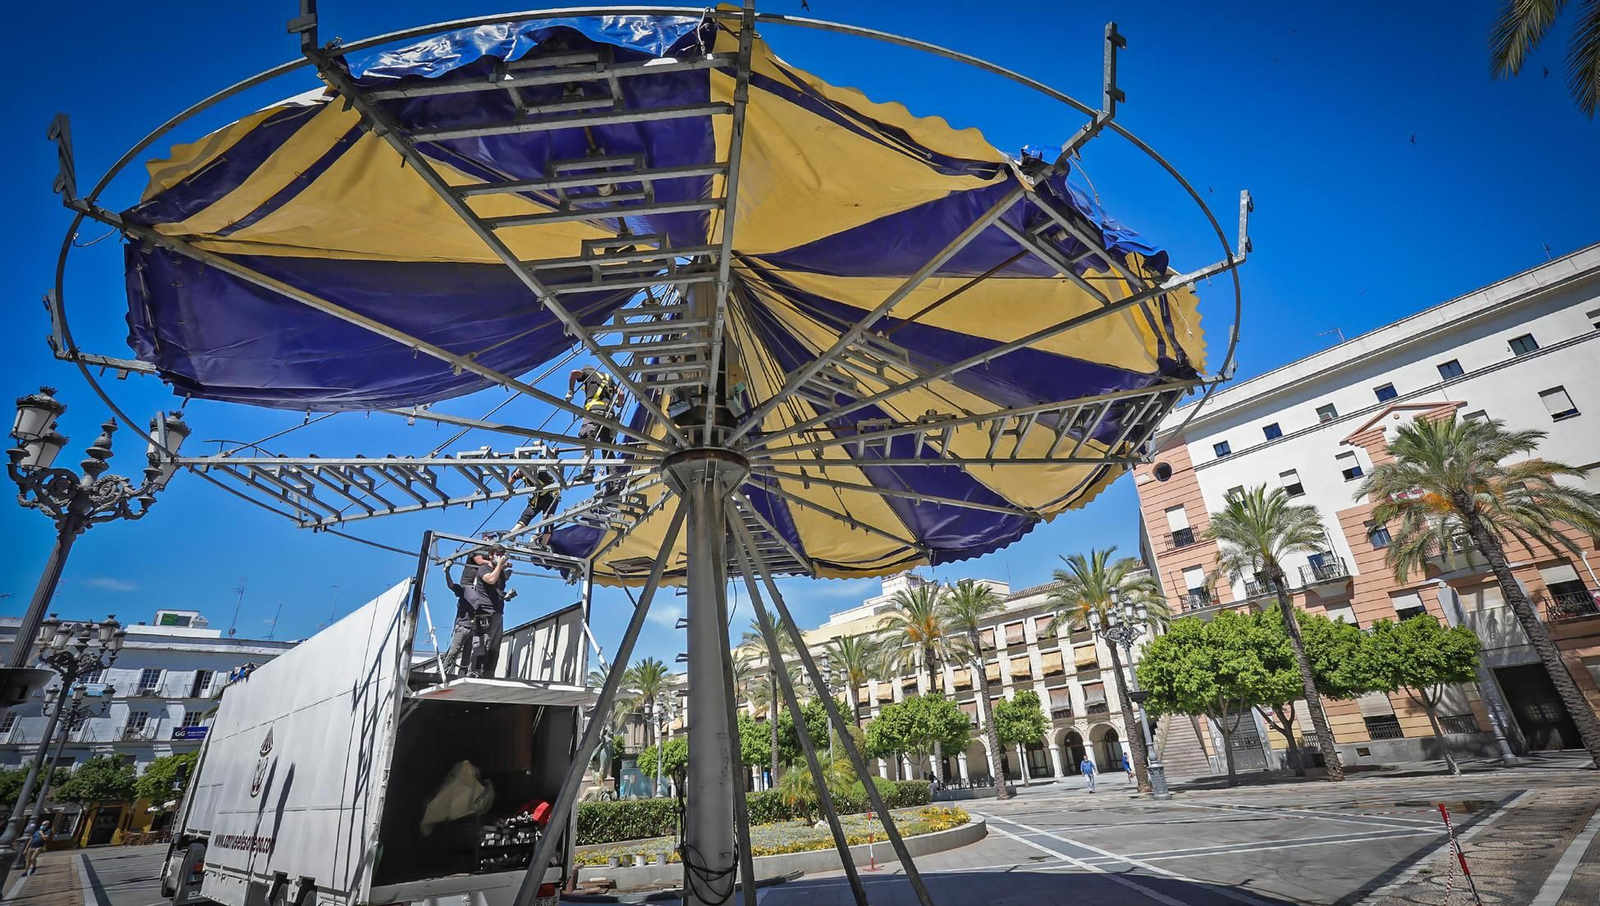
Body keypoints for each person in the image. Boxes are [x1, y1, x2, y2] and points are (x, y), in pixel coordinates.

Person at [567, 366, 622, 481]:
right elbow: (621, 394)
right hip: (609, 415)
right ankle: (614, 481)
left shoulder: (589, 373)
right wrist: (618, 403)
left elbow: (574, 373)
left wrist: (571, 391)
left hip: (594, 412)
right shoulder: (608, 378)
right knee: (608, 448)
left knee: (587, 438)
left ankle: (588, 470)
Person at [509, 464, 561, 547]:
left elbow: (529, 467)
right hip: (538, 497)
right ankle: (512, 533)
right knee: (527, 514)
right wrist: (508, 490)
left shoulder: (537, 471)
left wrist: (521, 471)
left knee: (548, 521)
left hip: (550, 495)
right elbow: (512, 479)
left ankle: (543, 544)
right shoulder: (520, 471)